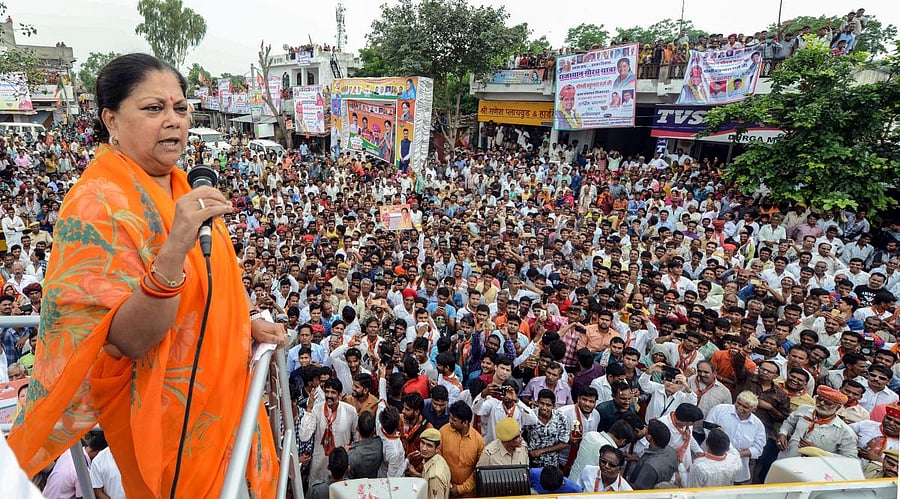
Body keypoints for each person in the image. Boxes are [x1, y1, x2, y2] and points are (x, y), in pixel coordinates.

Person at [7, 53, 284, 497]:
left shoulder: (180, 185)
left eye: (180, 107)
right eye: (154, 109)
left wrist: (240, 325)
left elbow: (204, 294)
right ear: (111, 119)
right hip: (161, 416)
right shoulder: (96, 205)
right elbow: (129, 339)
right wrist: (173, 249)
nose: (173, 120)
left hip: (221, 398)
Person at [776, 385, 857, 459]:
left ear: (838, 408)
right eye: (819, 399)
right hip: (786, 459)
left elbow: (850, 459)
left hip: (813, 469)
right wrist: (783, 433)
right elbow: (789, 422)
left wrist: (819, 452)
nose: (821, 403)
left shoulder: (845, 432)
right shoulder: (803, 409)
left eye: (828, 403)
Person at [440, 400, 484, 497]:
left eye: (454, 420)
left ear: (465, 423)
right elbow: (438, 459)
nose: (450, 421)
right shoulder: (443, 432)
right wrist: (449, 485)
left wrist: (461, 489)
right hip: (445, 489)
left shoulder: (478, 441)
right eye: (450, 417)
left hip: (468, 493)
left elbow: (478, 471)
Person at [627, 419, 679, 490]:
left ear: (649, 437)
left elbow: (639, 489)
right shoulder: (671, 451)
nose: (644, 428)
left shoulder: (650, 466)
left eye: (647, 429)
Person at [416, 428, 452, 499]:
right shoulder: (438, 459)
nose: (424, 448)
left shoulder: (435, 476)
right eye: (422, 442)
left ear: (437, 449)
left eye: (429, 445)